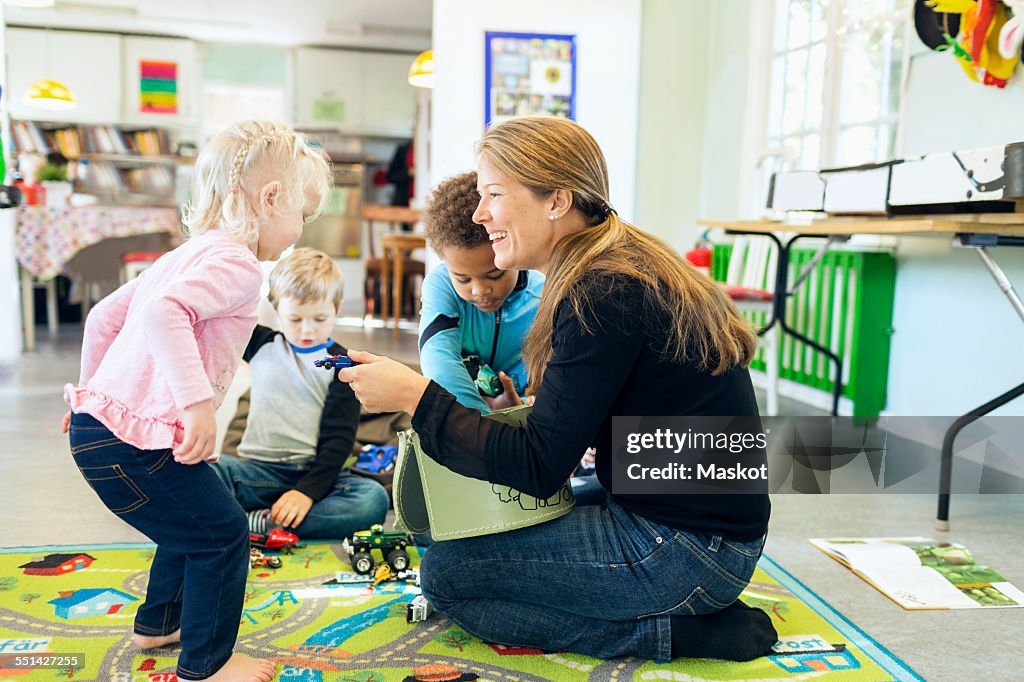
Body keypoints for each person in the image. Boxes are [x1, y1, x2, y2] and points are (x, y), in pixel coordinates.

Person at [338, 117, 778, 663]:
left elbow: (539, 466)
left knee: (448, 575)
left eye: (494, 195)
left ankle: (674, 634)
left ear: (557, 200)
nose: (481, 215)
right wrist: (520, 412)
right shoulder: (612, 263)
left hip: (689, 549)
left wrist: (414, 397)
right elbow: (574, 434)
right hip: (691, 526)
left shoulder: (602, 290)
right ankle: (675, 608)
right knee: (463, 531)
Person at [62, 120, 332, 682]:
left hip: (102, 431)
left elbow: (102, 318)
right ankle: (209, 663)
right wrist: (196, 406)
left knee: (190, 520)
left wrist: (92, 396)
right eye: (302, 215)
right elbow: (165, 315)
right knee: (223, 533)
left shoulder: (180, 257)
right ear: (270, 198)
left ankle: (159, 623)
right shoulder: (236, 265)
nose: (301, 229)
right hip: (138, 440)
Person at [212, 247, 389, 540]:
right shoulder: (260, 344)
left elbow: (339, 440)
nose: (307, 329)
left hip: (315, 475)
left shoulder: (343, 365)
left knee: (371, 500)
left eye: (320, 319)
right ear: (275, 307)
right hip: (255, 473)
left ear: (337, 306)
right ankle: (263, 520)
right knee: (204, 471)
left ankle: (257, 525)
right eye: (295, 319)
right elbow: (222, 319)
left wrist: (306, 492)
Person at [419, 170, 543, 413]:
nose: (480, 290)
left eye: (495, 274)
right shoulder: (440, 284)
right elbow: (439, 364)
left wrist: (518, 411)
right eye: (462, 279)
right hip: (466, 418)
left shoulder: (543, 295)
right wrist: (482, 423)